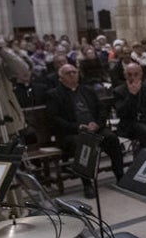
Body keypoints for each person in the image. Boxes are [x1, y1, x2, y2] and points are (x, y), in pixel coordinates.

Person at [46, 63, 126, 197]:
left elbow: (101, 110)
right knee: (82, 143)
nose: (72, 75)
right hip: (72, 133)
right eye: (68, 73)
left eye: (74, 72)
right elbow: (54, 119)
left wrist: (97, 124)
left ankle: (120, 176)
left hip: (95, 129)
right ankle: (87, 184)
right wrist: (77, 127)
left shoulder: (87, 90)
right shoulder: (54, 94)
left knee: (111, 138)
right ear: (61, 78)